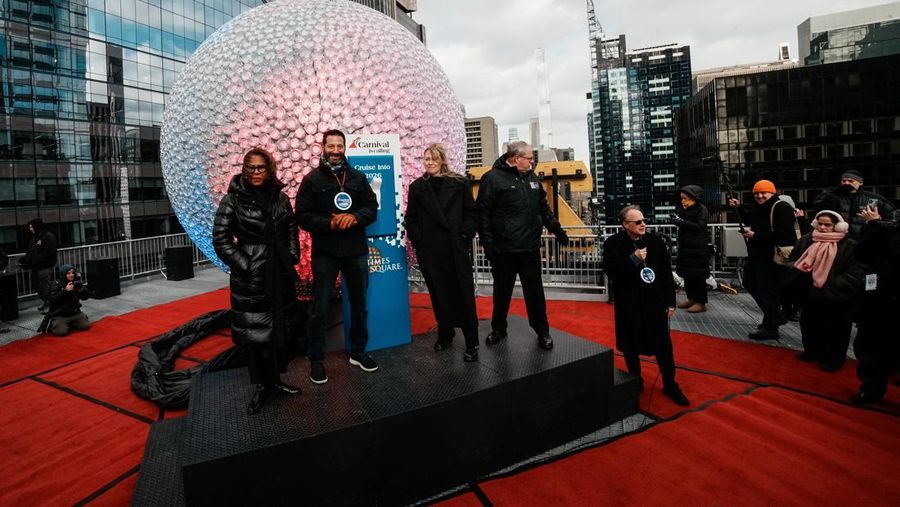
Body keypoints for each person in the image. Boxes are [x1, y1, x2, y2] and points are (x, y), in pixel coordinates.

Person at [213, 147, 302, 415]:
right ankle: (261, 386)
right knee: (256, 333)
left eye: (260, 167)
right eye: (250, 167)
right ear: (244, 169)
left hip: (278, 270)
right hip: (252, 274)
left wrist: (292, 255)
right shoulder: (232, 200)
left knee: (278, 327)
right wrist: (245, 264)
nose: (255, 172)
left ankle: (275, 380)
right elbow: (221, 239)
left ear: (269, 169)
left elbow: (290, 229)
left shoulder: (280, 198)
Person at [295, 129, 379, 384]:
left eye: (339, 145)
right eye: (330, 145)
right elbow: (302, 215)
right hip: (326, 253)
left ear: (345, 147)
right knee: (319, 309)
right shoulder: (311, 179)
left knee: (359, 306)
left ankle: (358, 351)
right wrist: (328, 224)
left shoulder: (357, 177)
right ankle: (317, 360)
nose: (335, 150)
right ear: (323, 147)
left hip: (355, 251)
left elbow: (371, 209)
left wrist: (354, 217)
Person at [476, 141, 568, 350]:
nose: (532, 161)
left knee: (535, 293)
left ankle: (542, 331)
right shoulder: (492, 179)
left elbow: (543, 209)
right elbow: (483, 215)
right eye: (529, 158)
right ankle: (498, 328)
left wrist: (558, 231)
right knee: (502, 292)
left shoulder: (532, 179)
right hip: (504, 249)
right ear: (516, 158)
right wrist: (489, 246)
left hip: (529, 248)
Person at [603, 205, 689, 406]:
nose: (643, 225)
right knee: (630, 344)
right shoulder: (613, 244)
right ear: (625, 225)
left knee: (663, 345)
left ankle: (670, 384)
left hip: (654, 302)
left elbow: (666, 274)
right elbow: (612, 271)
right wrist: (634, 259)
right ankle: (635, 379)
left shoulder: (655, 242)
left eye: (643, 221)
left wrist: (670, 302)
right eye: (638, 222)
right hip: (629, 303)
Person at [405, 143, 479, 362]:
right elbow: (411, 218)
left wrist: (464, 236)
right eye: (426, 159)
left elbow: (471, 213)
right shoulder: (417, 186)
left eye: (434, 159)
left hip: (455, 248)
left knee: (463, 294)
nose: (430, 163)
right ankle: (445, 334)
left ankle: (471, 342)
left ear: (442, 160)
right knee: (438, 293)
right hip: (431, 250)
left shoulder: (459, 182)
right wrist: (420, 241)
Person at [786, 211, 864, 372]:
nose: (822, 227)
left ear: (837, 226)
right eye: (820, 223)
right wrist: (800, 273)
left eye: (827, 224)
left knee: (836, 330)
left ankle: (832, 360)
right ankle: (812, 352)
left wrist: (834, 284)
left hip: (837, 296)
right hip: (810, 293)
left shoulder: (850, 245)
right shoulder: (806, 240)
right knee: (809, 325)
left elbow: (857, 271)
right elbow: (793, 260)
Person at [728, 180, 799, 340]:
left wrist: (756, 236)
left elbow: (785, 234)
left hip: (772, 257)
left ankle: (771, 326)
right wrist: (738, 208)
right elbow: (750, 221)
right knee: (750, 282)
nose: (759, 196)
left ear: (772, 193)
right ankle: (773, 316)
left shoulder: (781, 207)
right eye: (756, 193)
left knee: (768, 291)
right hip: (758, 255)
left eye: (763, 193)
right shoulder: (761, 207)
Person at [850, 207, 900, 405]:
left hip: (889, 300)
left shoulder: (887, 234)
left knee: (878, 347)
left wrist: (876, 227)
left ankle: (872, 388)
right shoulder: (883, 232)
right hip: (877, 299)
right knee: (869, 347)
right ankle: (870, 390)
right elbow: (862, 253)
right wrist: (873, 228)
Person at [812, 169, 895, 240]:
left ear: (860, 182)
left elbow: (893, 216)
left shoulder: (872, 198)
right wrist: (832, 194)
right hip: (840, 239)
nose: (846, 183)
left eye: (851, 181)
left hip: (864, 240)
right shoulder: (834, 195)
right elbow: (817, 207)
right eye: (844, 181)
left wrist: (878, 219)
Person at [670, 185, 710, 313]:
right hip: (686, 248)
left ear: (694, 198)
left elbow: (700, 226)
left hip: (698, 249)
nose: (683, 201)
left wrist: (680, 222)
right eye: (682, 198)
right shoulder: (685, 209)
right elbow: (678, 217)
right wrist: (675, 218)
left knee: (698, 277)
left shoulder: (701, 209)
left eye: (685, 198)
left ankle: (701, 302)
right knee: (688, 276)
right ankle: (692, 298)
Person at [19, 218, 58, 314]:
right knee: (35, 285)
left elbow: (50, 253)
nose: (30, 229)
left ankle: (50, 305)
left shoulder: (49, 237)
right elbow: (31, 252)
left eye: (32, 227)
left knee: (45, 286)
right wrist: (25, 259)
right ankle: (46, 302)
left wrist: (34, 260)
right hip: (35, 267)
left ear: (37, 227)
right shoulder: (33, 238)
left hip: (45, 267)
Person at [42, 264, 90, 336]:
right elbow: (52, 299)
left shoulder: (75, 283)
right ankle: (53, 325)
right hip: (60, 314)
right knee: (61, 332)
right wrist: (65, 290)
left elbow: (85, 297)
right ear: (63, 274)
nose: (71, 275)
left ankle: (70, 323)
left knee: (85, 326)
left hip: (74, 312)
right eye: (68, 273)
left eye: (73, 273)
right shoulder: (56, 284)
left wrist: (82, 290)